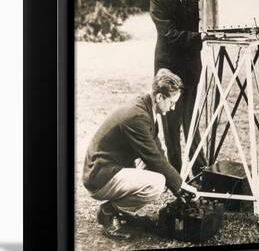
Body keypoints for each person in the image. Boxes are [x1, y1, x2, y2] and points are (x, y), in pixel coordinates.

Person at [82, 68, 198, 233]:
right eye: (172, 103)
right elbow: (154, 157)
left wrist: (178, 184)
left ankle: (118, 211)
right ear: (159, 97)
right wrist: (179, 186)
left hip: (108, 167)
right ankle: (109, 211)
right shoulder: (138, 117)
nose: (173, 108)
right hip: (99, 176)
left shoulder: (145, 106)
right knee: (157, 183)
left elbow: (157, 152)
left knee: (162, 173)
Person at [150, 0, 207, 178]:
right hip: (169, 70)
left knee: (192, 122)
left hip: (192, 68)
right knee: (171, 127)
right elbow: (169, 34)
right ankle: (174, 174)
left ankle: (201, 170)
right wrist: (198, 37)